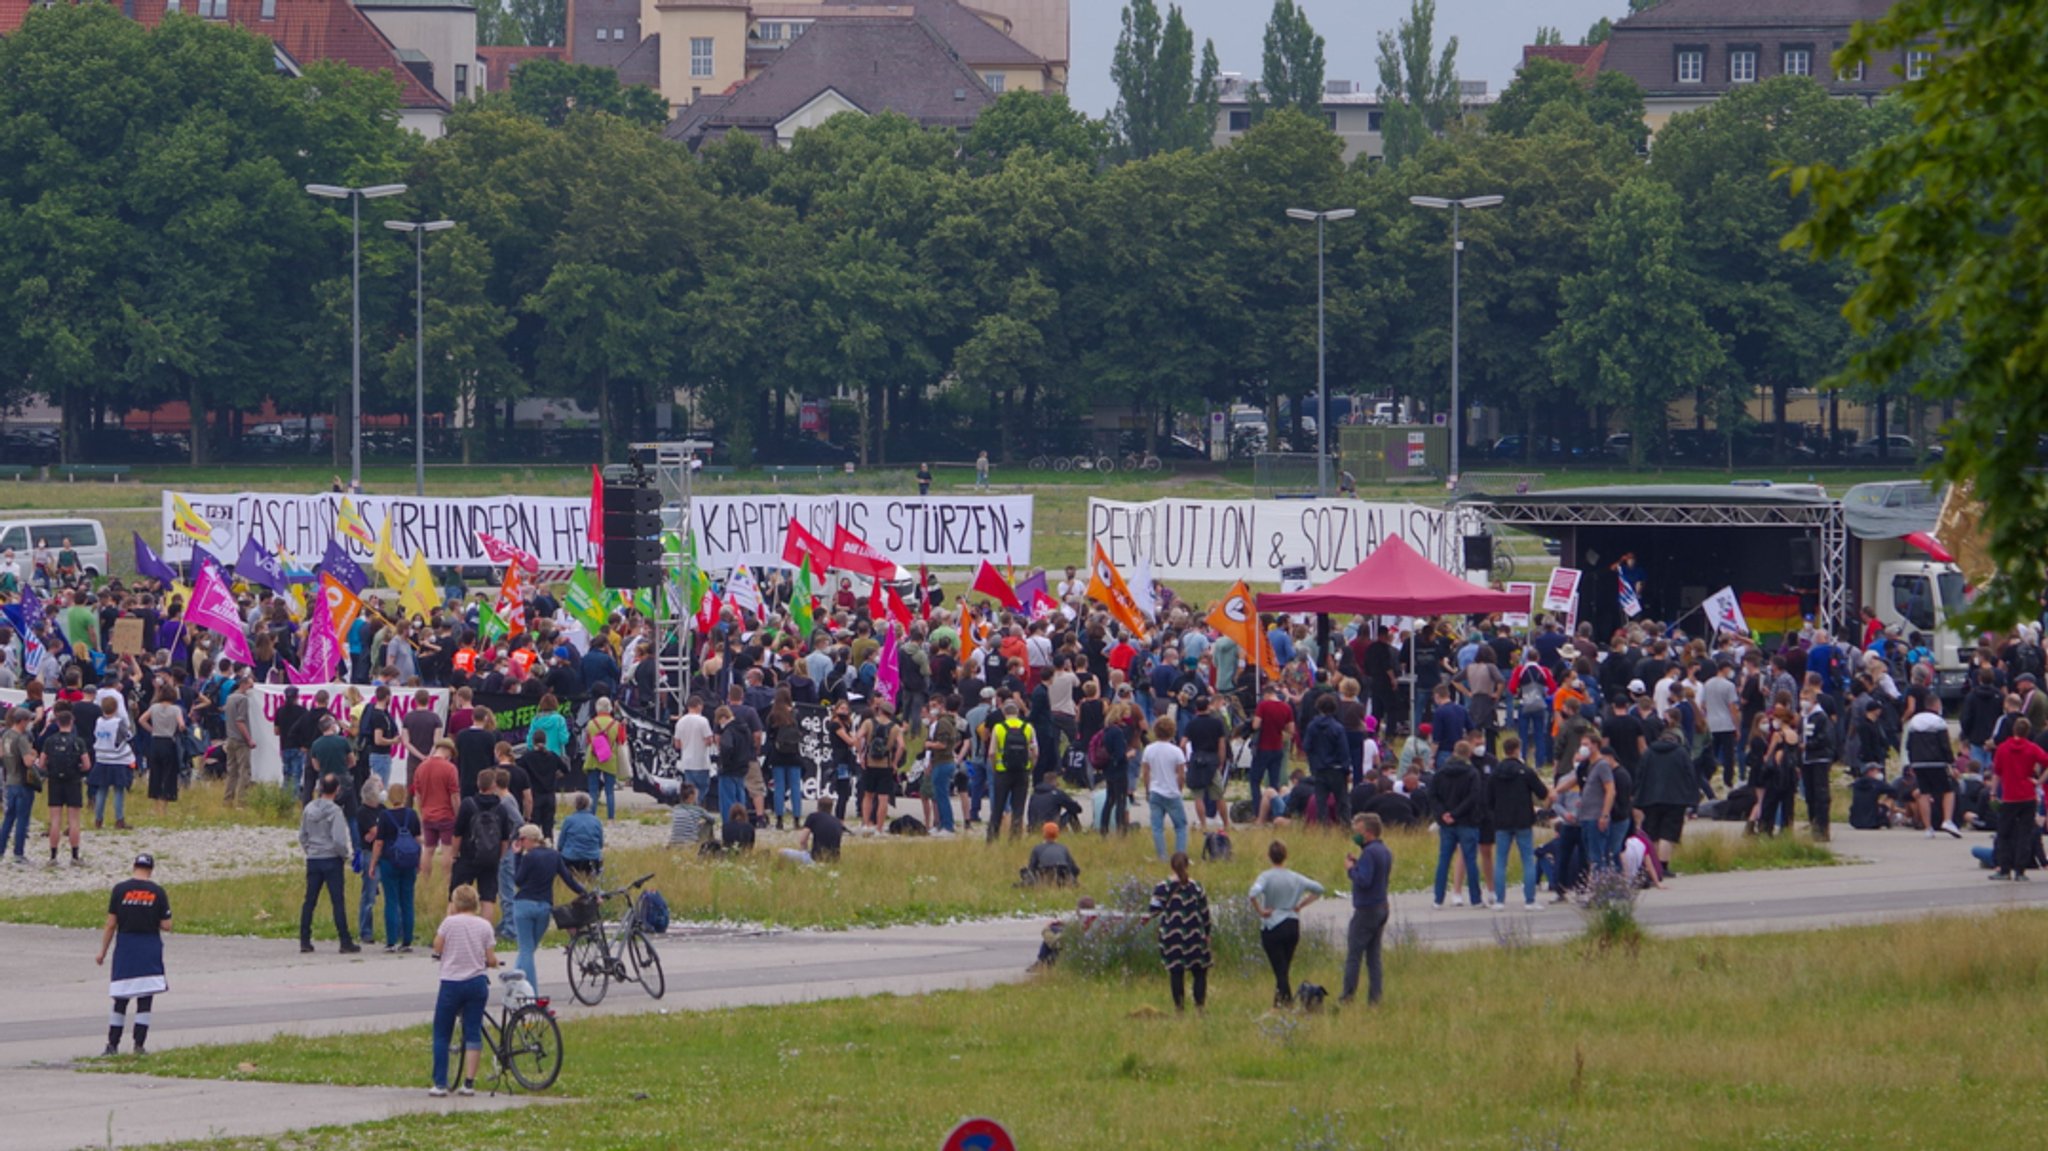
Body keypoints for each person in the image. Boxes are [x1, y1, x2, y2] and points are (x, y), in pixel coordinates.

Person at [96, 853, 171, 1056]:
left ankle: (112, 1045)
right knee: (145, 999)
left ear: (133, 866)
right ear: (151, 870)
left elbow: (111, 924)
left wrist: (102, 951)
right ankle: (139, 1045)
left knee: (121, 997)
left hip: (126, 947)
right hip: (149, 946)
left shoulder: (120, 890)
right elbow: (166, 925)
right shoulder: (158, 892)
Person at [428, 883, 498, 1097]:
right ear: (476, 903)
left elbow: (437, 947)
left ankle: (440, 1083)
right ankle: (468, 1083)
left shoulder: (449, 923)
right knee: (473, 1031)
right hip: (476, 982)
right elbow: (490, 958)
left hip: (451, 983)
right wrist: (493, 963)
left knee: (442, 1033)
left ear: (455, 904)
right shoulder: (484, 925)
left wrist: (449, 916)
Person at [508, 824, 586, 991]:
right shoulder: (554, 855)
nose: (520, 843)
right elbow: (569, 879)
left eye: (521, 839)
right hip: (544, 906)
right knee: (528, 950)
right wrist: (585, 892)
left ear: (529, 839)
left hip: (524, 905)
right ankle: (514, 985)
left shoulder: (529, 857)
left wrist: (517, 857)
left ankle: (531, 993)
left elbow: (518, 881)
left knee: (526, 950)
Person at [1248, 839, 1323, 1009]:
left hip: (1273, 924)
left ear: (1269, 856)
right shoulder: (1296, 877)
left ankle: (1287, 1004)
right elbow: (1319, 888)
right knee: (1284, 967)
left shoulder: (1265, 876)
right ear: (1285, 856)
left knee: (1280, 970)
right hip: (1292, 924)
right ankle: (1278, 1003)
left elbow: (1253, 893)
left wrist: (1260, 911)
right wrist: (1301, 904)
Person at [298, 774, 359, 954]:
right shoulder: (335, 811)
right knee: (337, 901)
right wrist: (344, 854)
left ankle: (304, 939)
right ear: (337, 790)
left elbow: (302, 835)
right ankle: (344, 940)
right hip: (331, 858)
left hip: (314, 858)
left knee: (310, 900)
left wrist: (309, 850)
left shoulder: (309, 808)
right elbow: (339, 839)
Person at [1489, 734, 1549, 910]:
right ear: (1517, 750)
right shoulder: (1526, 772)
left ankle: (1500, 900)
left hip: (1501, 820)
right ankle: (1529, 900)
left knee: (1500, 861)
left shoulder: (1495, 772)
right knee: (1527, 860)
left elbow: (1488, 799)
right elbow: (1542, 793)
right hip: (1523, 820)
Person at [450, 768, 516, 927]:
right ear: (494, 785)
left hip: (468, 856)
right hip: (491, 859)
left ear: (478, 784)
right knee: (488, 898)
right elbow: (505, 839)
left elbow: (457, 833)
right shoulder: (500, 807)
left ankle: (451, 930)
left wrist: (454, 854)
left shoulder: (468, 804)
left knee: (456, 894)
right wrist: (498, 857)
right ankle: (485, 934)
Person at [1148, 851, 1211, 1013]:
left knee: (1176, 972)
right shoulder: (1196, 887)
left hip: (1172, 935)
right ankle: (1200, 1008)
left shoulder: (1162, 887)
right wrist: (1207, 933)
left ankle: (1179, 1009)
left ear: (1171, 866)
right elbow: (1205, 913)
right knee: (1199, 972)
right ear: (1188, 865)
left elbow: (1153, 910)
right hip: (1195, 934)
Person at [1341, 813, 1393, 1006]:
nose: (1356, 836)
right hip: (1381, 906)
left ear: (1369, 833)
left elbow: (1364, 880)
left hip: (1366, 910)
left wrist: (1350, 869)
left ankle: (1347, 997)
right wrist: (1358, 865)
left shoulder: (1370, 853)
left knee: (1354, 956)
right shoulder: (1384, 851)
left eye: (1359, 832)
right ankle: (1375, 999)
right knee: (1374, 957)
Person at [1990, 717, 2048, 880]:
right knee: (2025, 833)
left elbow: (1997, 773)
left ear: (2013, 729)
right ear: (2028, 732)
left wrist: (1993, 792)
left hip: (2009, 797)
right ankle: (2020, 871)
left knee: (2004, 833)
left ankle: (2004, 869)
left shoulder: (2003, 748)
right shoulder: (2032, 748)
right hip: (2028, 795)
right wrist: (2039, 781)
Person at [369, 782, 423, 952]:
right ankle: (407, 940)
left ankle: (391, 941)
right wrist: (418, 860)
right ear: (405, 796)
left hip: (389, 860)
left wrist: (373, 864)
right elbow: (418, 840)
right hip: (409, 861)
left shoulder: (385, 816)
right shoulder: (412, 815)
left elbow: (379, 843)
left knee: (391, 901)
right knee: (407, 900)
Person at [1430, 741, 1483, 908]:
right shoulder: (1472, 773)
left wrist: (1443, 814)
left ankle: (1438, 898)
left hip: (1446, 823)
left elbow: (1433, 796)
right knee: (1471, 860)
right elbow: (1473, 797)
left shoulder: (1440, 773)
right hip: (1466, 821)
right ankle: (1475, 898)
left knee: (1444, 860)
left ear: (1454, 752)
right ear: (1469, 754)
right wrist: (1456, 813)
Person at [42, 707, 89, 867]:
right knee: (73, 820)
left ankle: (53, 856)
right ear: (71, 722)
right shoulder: (78, 741)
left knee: (55, 820)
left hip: (55, 781)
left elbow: (42, 763)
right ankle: (75, 855)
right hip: (73, 781)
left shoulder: (50, 741)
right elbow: (87, 764)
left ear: (57, 722)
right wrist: (80, 770)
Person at [412, 739, 462, 889]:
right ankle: (447, 883)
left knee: (428, 849)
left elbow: (418, 795)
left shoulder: (421, 767)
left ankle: (425, 883)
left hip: (428, 814)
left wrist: (422, 813)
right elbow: (454, 796)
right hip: (446, 815)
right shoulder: (450, 768)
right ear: (449, 752)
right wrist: (458, 815)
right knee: (448, 850)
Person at [1141, 716, 1189, 861]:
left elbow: (1145, 772)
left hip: (1155, 790)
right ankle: (1180, 856)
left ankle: (1162, 856)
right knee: (1180, 827)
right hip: (1172, 791)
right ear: (1172, 731)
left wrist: (1147, 790)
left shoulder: (1149, 749)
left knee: (1157, 827)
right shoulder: (1176, 751)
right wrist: (1179, 789)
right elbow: (1181, 775)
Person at [987, 701, 1035, 841]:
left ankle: (992, 837)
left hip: (1003, 771)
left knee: (998, 807)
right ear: (1018, 712)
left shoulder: (999, 727)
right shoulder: (1027, 727)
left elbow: (991, 752)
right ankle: (1014, 839)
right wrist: (1030, 767)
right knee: (1018, 808)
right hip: (1022, 771)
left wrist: (995, 766)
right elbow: (1034, 751)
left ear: (1004, 713)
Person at [87, 696, 135, 831]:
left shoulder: (99, 721)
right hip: (118, 759)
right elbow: (128, 736)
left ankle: (98, 819)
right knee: (119, 790)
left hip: (102, 758)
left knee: (102, 790)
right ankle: (119, 819)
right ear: (116, 708)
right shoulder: (118, 722)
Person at [140, 690, 185, 819]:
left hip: (155, 741)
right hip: (168, 741)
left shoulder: (154, 707)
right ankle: (164, 806)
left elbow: (142, 719)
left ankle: (155, 806)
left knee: (155, 773)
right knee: (168, 774)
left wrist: (151, 729)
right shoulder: (176, 709)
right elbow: (181, 724)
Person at [1, 708, 35, 864]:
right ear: (22, 721)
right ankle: (18, 853)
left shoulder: (6, 735)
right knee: (22, 818)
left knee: (8, 817)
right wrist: (33, 755)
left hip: (9, 779)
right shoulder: (21, 739)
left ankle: (1, 849)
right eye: (28, 721)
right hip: (22, 782)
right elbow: (28, 761)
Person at [582, 697, 625, 821]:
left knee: (593, 790)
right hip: (610, 758)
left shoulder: (591, 723)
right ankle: (611, 817)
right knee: (610, 791)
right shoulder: (616, 724)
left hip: (594, 758)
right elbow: (621, 740)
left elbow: (588, 741)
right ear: (610, 708)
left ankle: (591, 816)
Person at [558, 792, 605, 881]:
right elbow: (601, 844)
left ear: (575, 805)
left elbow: (560, 844)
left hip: (571, 858)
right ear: (589, 805)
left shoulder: (569, 820)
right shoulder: (596, 821)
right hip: (592, 858)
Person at [667, 782, 713, 850]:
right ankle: (709, 846)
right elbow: (712, 819)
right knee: (709, 824)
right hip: (689, 843)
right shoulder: (698, 810)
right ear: (691, 796)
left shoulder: (676, 808)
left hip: (673, 842)